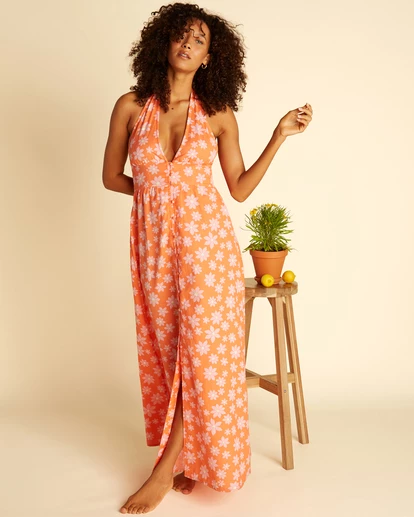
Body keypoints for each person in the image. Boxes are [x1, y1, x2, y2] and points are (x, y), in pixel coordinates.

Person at [102, 2, 313, 514]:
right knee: (167, 351)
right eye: (181, 35)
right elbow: (111, 177)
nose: (188, 45)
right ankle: (188, 459)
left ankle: (164, 469)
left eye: (199, 41)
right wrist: (157, 196)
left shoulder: (217, 115)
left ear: (209, 58)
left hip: (207, 250)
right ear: (164, 42)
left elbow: (238, 188)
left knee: (199, 354)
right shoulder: (130, 106)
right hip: (153, 248)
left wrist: (278, 136)